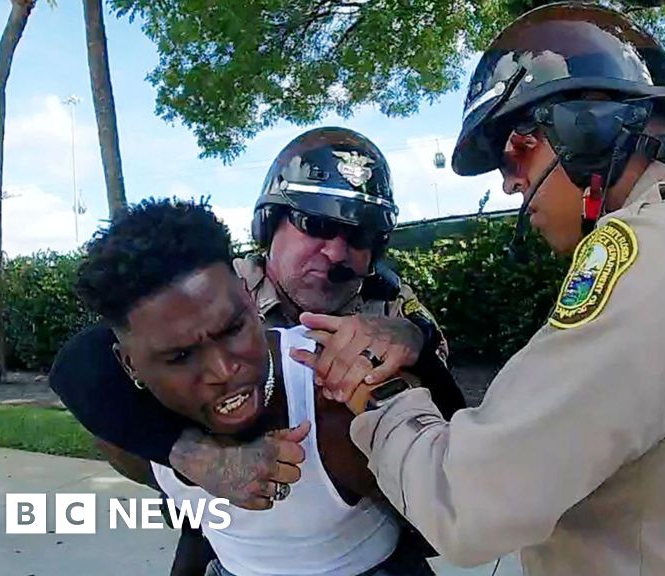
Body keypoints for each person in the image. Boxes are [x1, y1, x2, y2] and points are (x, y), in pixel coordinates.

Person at [292, 3, 665, 575]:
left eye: (516, 149)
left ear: (585, 126)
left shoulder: (654, 258)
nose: (509, 182)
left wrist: (378, 393)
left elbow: (467, 503)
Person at [49, 127, 465, 575]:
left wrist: (411, 341)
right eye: (317, 225)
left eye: (360, 236)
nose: (336, 253)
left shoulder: (391, 306)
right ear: (270, 224)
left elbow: (450, 459)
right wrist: (194, 456)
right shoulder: (213, 279)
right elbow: (84, 364)